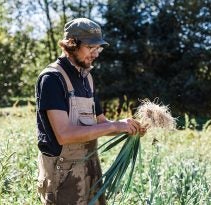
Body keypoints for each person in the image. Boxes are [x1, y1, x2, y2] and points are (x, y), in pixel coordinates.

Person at [36, 18, 145, 205]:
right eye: (90, 48)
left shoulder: (87, 78)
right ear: (71, 44)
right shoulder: (52, 79)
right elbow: (64, 134)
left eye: (98, 49)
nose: (96, 54)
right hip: (63, 174)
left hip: (89, 166)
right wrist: (116, 125)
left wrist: (126, 127)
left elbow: (101, 123)